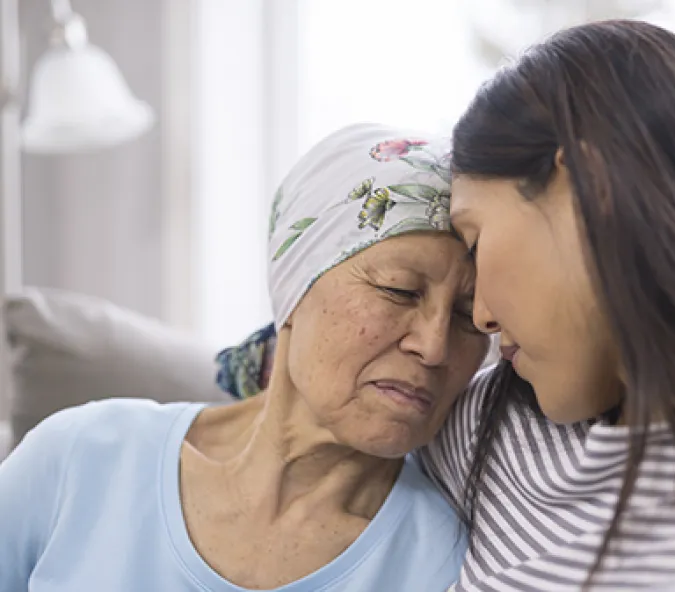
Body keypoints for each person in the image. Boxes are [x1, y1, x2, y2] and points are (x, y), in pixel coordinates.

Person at [221, 21, 675, 592]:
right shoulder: (492, 426)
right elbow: (320, 374)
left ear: (588, 190)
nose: (480, 318)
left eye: (477, 241)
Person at [0, 123, 488, 592]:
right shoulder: (80, 460)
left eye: (470, 317)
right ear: (295, 289)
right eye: (399, 290)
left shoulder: (448, 563)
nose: (435, 346)